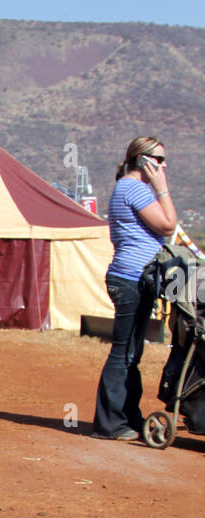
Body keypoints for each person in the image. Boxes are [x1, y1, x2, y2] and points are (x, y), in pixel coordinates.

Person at [92, 136, 177, 440]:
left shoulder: (130, 188)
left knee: (131, 351)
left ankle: (126, 416)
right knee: (123, 351)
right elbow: (168, 225)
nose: (164, 166)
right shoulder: (133, 188)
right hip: (130, 278)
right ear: (143, 160)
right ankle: (109, 424)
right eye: (159, 160)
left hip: (133, 278)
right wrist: (162, 186)